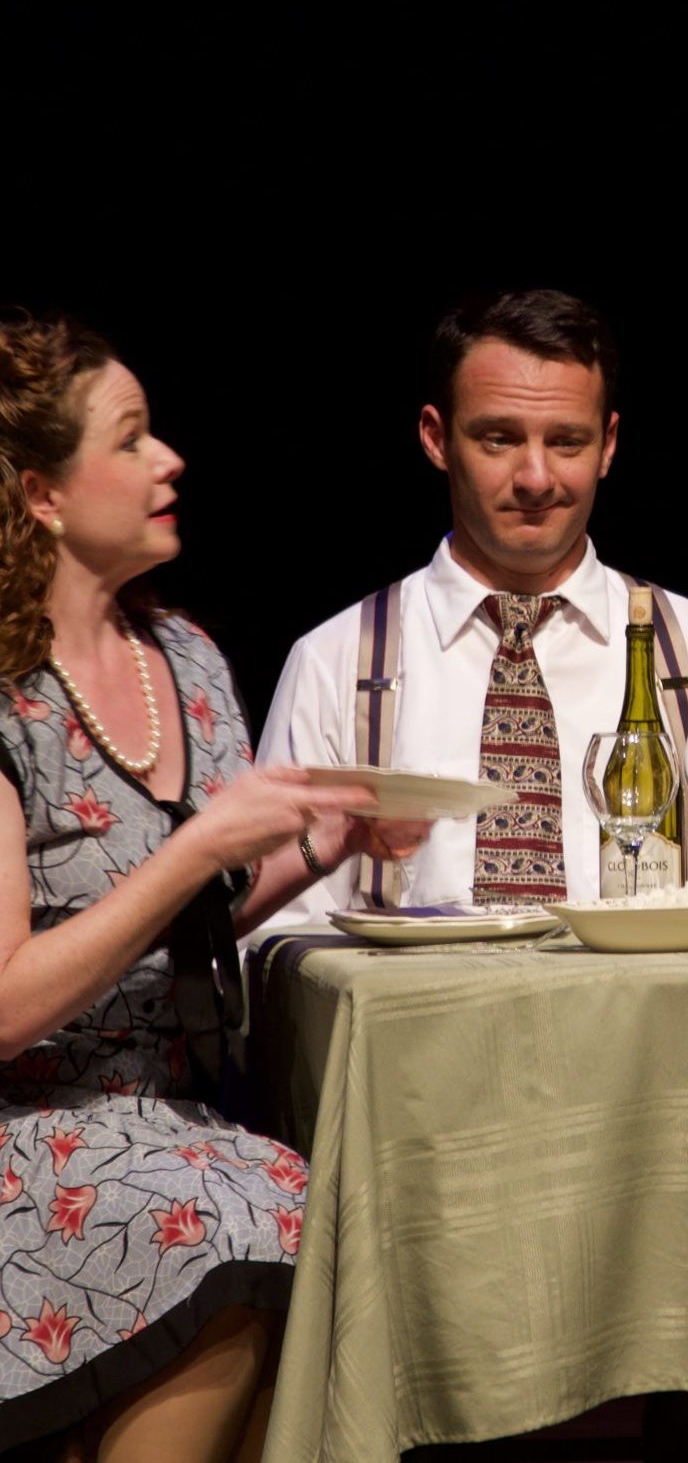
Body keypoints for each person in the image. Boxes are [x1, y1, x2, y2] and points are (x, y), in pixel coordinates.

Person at [0, 313, 397, 1460]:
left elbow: (192, 927)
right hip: (33, 1136)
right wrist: (192, 852)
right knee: (238, 1222)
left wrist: (327, 846)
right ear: (43, 496)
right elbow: (8, 1004)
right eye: (131, 440)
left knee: (331, 1215)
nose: (169, 460)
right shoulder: (9, 699)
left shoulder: (187, 662)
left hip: (175, 1121)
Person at [255, 289, 688, 919]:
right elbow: (278, 937)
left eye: (567, 442)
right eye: (498, 439)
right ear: (436, 439)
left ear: (608, 445)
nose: (536, 479)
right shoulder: (338, 663)